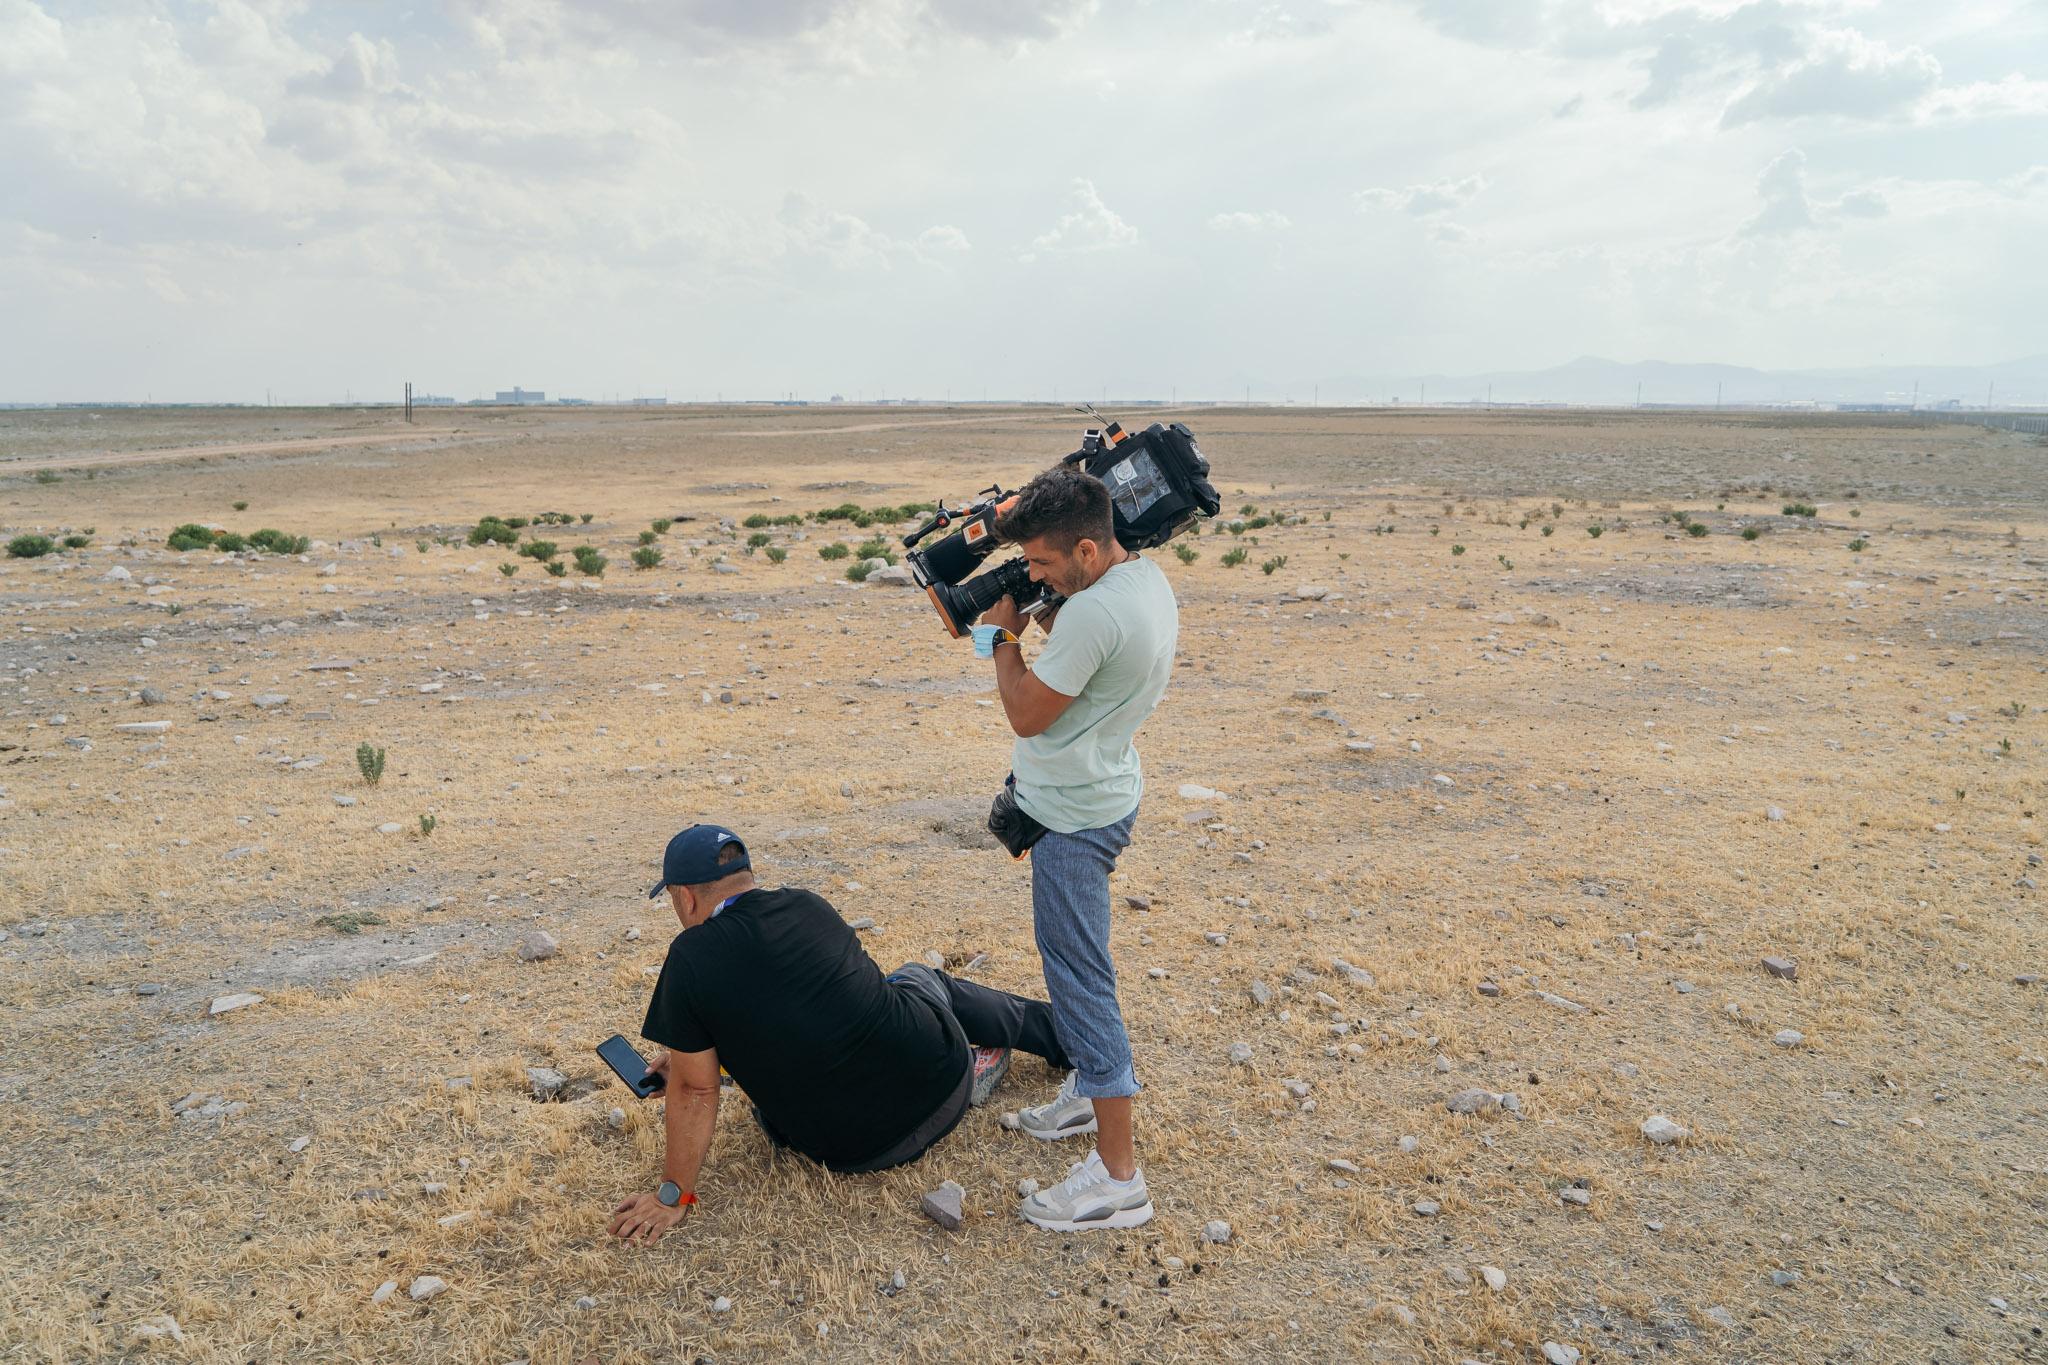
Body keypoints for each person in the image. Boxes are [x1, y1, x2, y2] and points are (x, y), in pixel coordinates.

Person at [607, 823, 1072, 1247]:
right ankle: (1067, 1036)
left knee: (901, 983)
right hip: (943, 1084)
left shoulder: (690, 957)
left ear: (685, 897)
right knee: (912, 979)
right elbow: (833, 1003)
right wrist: (689, 1058)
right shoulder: (807, 905)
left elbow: (696, 1087)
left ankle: (993, 1058)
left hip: (851, 1152)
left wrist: (673, 1197)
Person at [977, 464, 1179, 1232]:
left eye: (1040, 564)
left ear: (1088, 551)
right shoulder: (1144, 580)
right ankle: (1086, 1098)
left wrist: (1002, 638)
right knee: (1074, 961)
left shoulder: (1093, 616)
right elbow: (1086, 665)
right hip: (1105, 787)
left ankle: (1118, 1179)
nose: (1031, 577)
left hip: (1073, 817)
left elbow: (1027, 713)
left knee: (1081, 975)